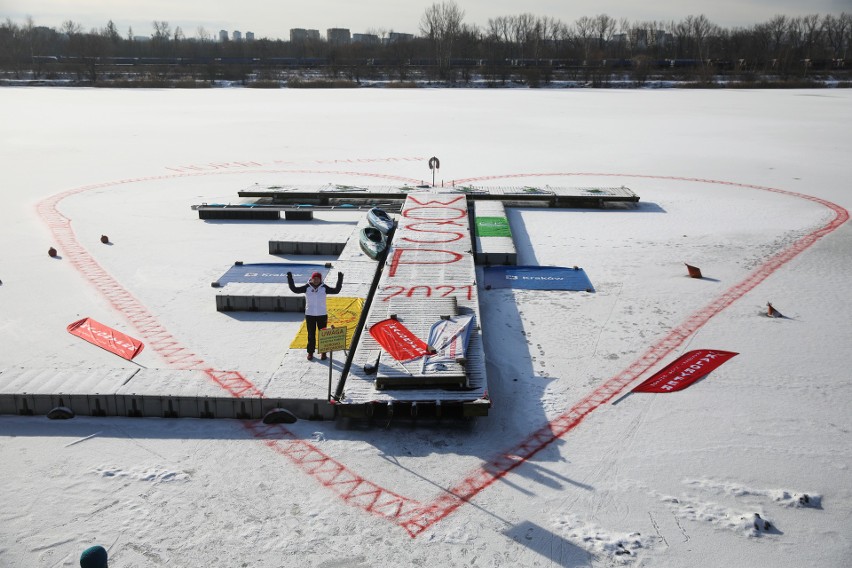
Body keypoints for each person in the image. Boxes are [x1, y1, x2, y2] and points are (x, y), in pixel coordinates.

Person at [287, 270, 343, 360]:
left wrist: (340, 279)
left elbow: (336, 290)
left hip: (322, 315)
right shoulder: (307, 287)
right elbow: (295, 289)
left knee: (323, 335)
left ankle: (323, 353)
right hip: (310, 315)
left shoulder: (324, 288)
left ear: (320, 280)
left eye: (318, 279)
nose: (316, 280)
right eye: (314, 279)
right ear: (312, 279)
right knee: (311, 335)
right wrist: (290, 278)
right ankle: (310, 352)